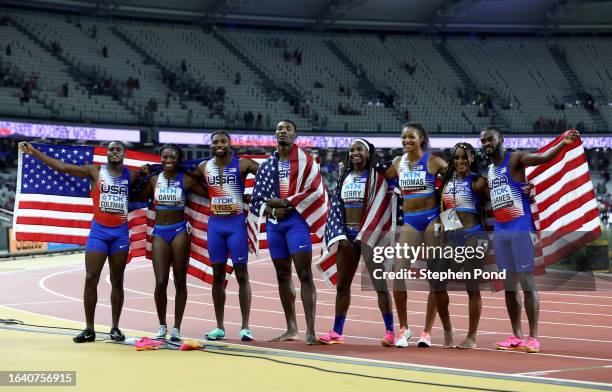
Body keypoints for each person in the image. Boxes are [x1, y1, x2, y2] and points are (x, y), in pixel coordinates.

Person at [21, 141, 145, 343]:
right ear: (107, 153)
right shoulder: (94, 171)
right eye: (111, 149)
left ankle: (115, 328)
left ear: (124, 153)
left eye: (118, 149)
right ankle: (89, 328)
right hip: (99, 233)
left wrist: (149, 169)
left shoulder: (131, 175)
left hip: (120, 234)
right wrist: (35, 152)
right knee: (91, 277)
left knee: (117, 280)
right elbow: (62, 167)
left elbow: (155, 177)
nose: (114, 152)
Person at [480, 127, 579, 353]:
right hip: (502, 232)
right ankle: (516, 335)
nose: (486, 143)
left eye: (489, 139)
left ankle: (533, 338)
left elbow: (542, 158)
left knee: (527, 284)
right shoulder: (491, 170)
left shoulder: (514, 158)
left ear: (500, 140)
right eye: (483, 140)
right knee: (508, 287)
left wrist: (563, 143)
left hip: (520, 229)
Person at [250, 120, 328, 345]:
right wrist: (273, 209)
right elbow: (256, 200)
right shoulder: (266, 166)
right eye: (279, 129)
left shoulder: (306, 162)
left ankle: (310, 330)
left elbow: (315, 191)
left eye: (287, 129)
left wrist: (286, 202)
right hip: (275, 224)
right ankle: (291, 328)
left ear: (295, 135)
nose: (282, 131)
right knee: (282, 275)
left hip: (296, 222)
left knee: (304, 275)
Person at [317, 139, 395, 346]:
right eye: (351, 150)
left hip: (369, 234)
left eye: (359, 149)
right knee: (343, 286)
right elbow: (337, 207)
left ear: (368, 153)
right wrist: (339, 235)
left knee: (379, 285)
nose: (354, 153)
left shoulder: (378, 177)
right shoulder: (344, 177)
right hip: (347, 236)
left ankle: (390, 332)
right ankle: (337, 331)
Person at [381, 122, 448, 348]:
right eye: (403, 138)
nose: (406, 141)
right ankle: (404, 328)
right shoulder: (398, 163)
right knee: (398, 272)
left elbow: (458, 181)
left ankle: (427, 331)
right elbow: (379, 177)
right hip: (410, 221)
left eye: (411, 137)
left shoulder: (433, 161)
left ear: (421, 139)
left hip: (431, 219)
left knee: (434, 276)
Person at [137, 144, 208, 341]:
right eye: (165, 157)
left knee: (179, 281)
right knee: (160, 282)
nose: (168, 160)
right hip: (159, 232)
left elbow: (211, 193)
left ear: (179, 160)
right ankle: (162, 325)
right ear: (160, 159)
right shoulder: (153, 180)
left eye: (172, 157)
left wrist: (236, 196)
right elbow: (137, 197)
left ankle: (176, 327)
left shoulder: (186, 179)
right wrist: (137, 174)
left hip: (179, 231)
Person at [193, 131, 259, 341]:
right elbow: (184, 177)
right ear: (211, 145)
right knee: (218, 276)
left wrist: (255, 196)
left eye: (223, 141)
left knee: (241, 274)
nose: (219, 144)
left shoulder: (243, 164)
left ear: (230, 144)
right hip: (215, 226)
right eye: (215, 142)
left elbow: (268, 175)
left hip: (236, 225)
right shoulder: (204, 167)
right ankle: (219, 327)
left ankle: (245, 327)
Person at [437, 142, 490, 348]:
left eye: (464, 157)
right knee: (437, 285)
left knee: (472, 288)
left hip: (475, 236)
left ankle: (471, 337)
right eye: (457, 157)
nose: (460, 161)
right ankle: (448, 330)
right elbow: (446, 209)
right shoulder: (446, 183)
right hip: (454, 237)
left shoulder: (478, 182)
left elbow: (498, 202)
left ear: (472, 158)